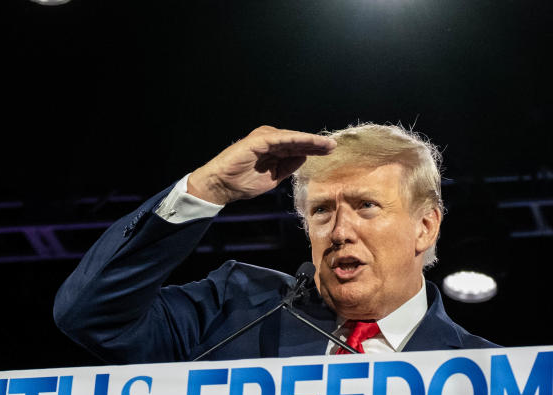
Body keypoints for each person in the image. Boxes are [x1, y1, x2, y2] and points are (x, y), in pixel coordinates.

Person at [54, 123, 495, 363]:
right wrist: (209, 188)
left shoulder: (490, 374)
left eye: (366, 206)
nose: (340, 231)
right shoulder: (233, 309)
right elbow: (91, 316)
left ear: (425, 226)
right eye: (321, 211)